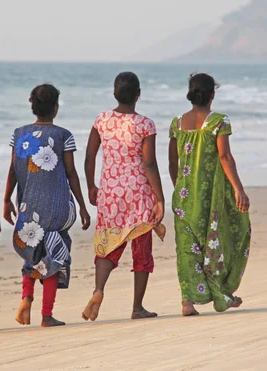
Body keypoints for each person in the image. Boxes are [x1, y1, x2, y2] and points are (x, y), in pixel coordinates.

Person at [4, 84, 90, 327]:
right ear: (55, 107)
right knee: (53, 258)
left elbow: (13, 170)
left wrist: (6, 199)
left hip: (27, 208)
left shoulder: (19, 134)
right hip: (55, 209)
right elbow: (71, 173)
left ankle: (26, 297)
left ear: (33, 107)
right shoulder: (64, 136)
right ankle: (46, 314)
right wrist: (82, 206)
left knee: (33, 252)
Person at [83, 72, 165, 321]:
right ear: (138, 94)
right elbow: (149, 163)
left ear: (114, 93)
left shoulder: (102, 120)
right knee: (142, 250)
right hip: (139, 192)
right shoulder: (145, 124)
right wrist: (160, 199)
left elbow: (89, 157)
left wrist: (91, 186)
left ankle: (98, 290)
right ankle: (137, 307)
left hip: (110, 192)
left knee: (108, 245)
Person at [168, 73, 251, 316]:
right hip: (211, 197)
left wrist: (179, 188)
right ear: (212, 95)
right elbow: (225, 157)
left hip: (183, 195)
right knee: (215, 242)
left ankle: (187, 301)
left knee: (187, 248)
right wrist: (239, 189)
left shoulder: (176, 123)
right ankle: (220, 294)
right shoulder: (219, 122)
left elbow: (172, 161)